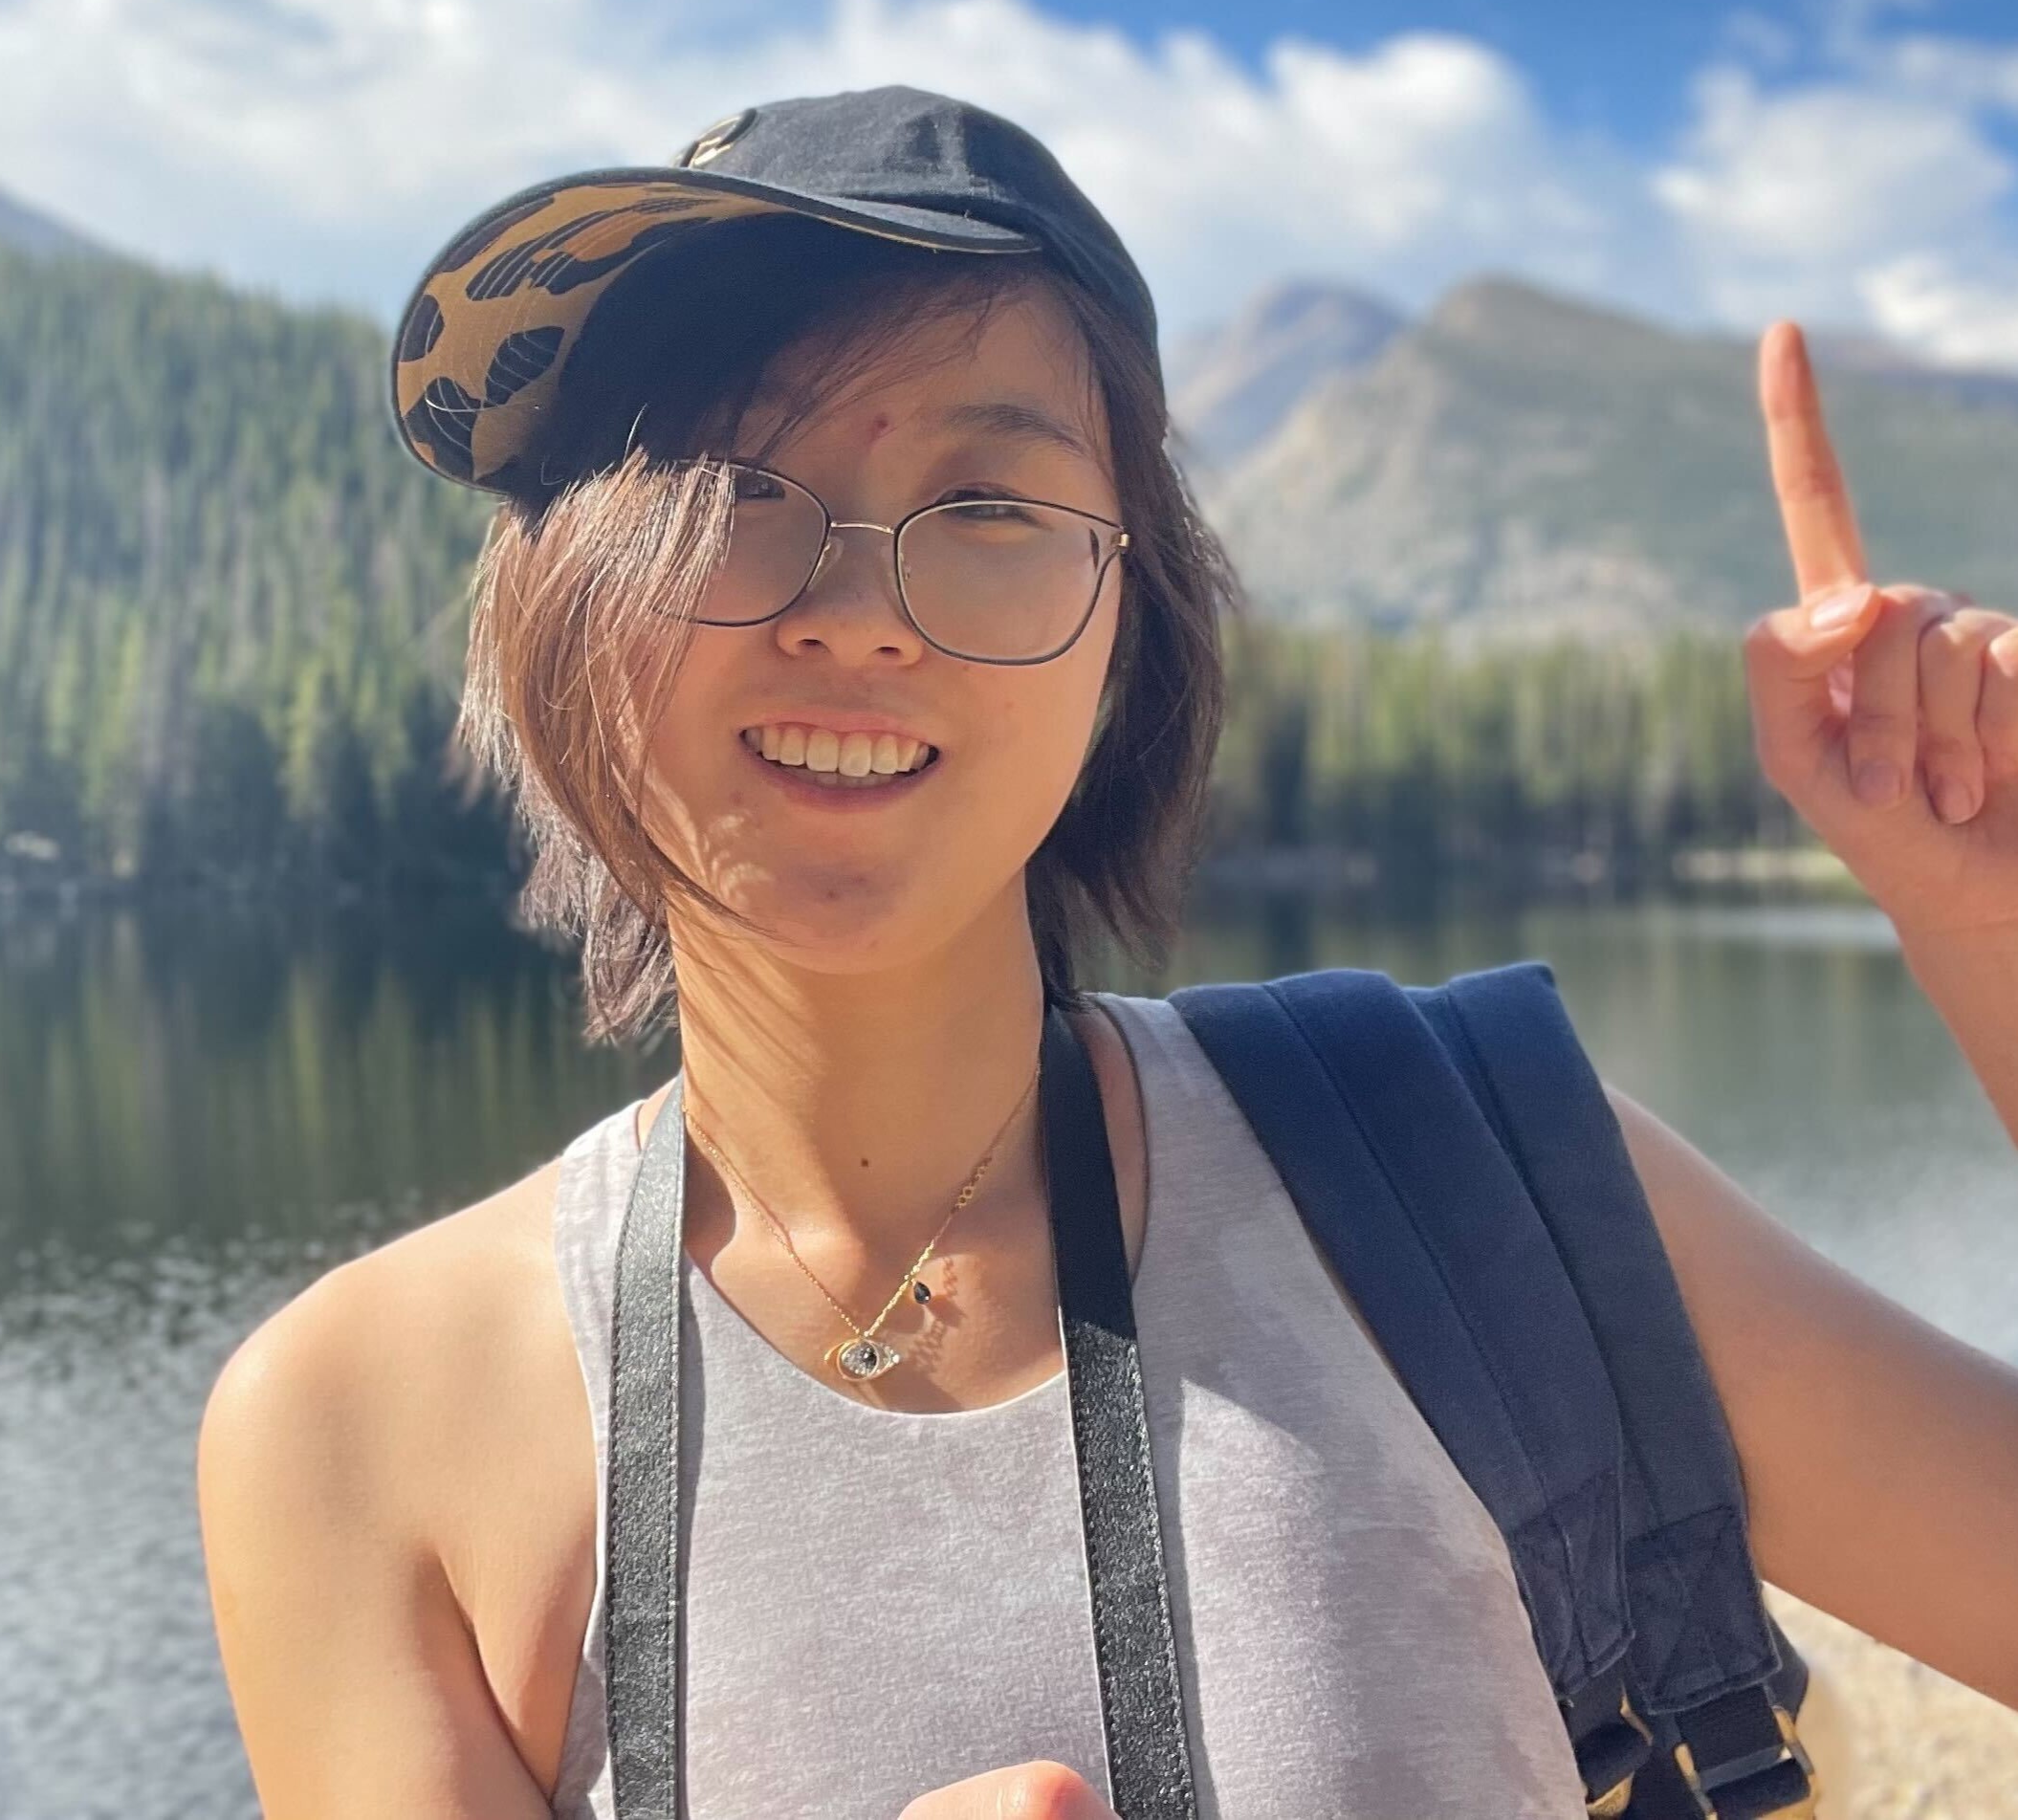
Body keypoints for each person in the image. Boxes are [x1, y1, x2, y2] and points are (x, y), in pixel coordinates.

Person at [196, 88, 2018, 1820]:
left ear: (1126, 626)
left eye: (991, 508)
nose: (858, 617)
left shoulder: (1482, 1177)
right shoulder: (358, 1431)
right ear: (558, 598)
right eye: (734, 489)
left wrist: (1993, 925)